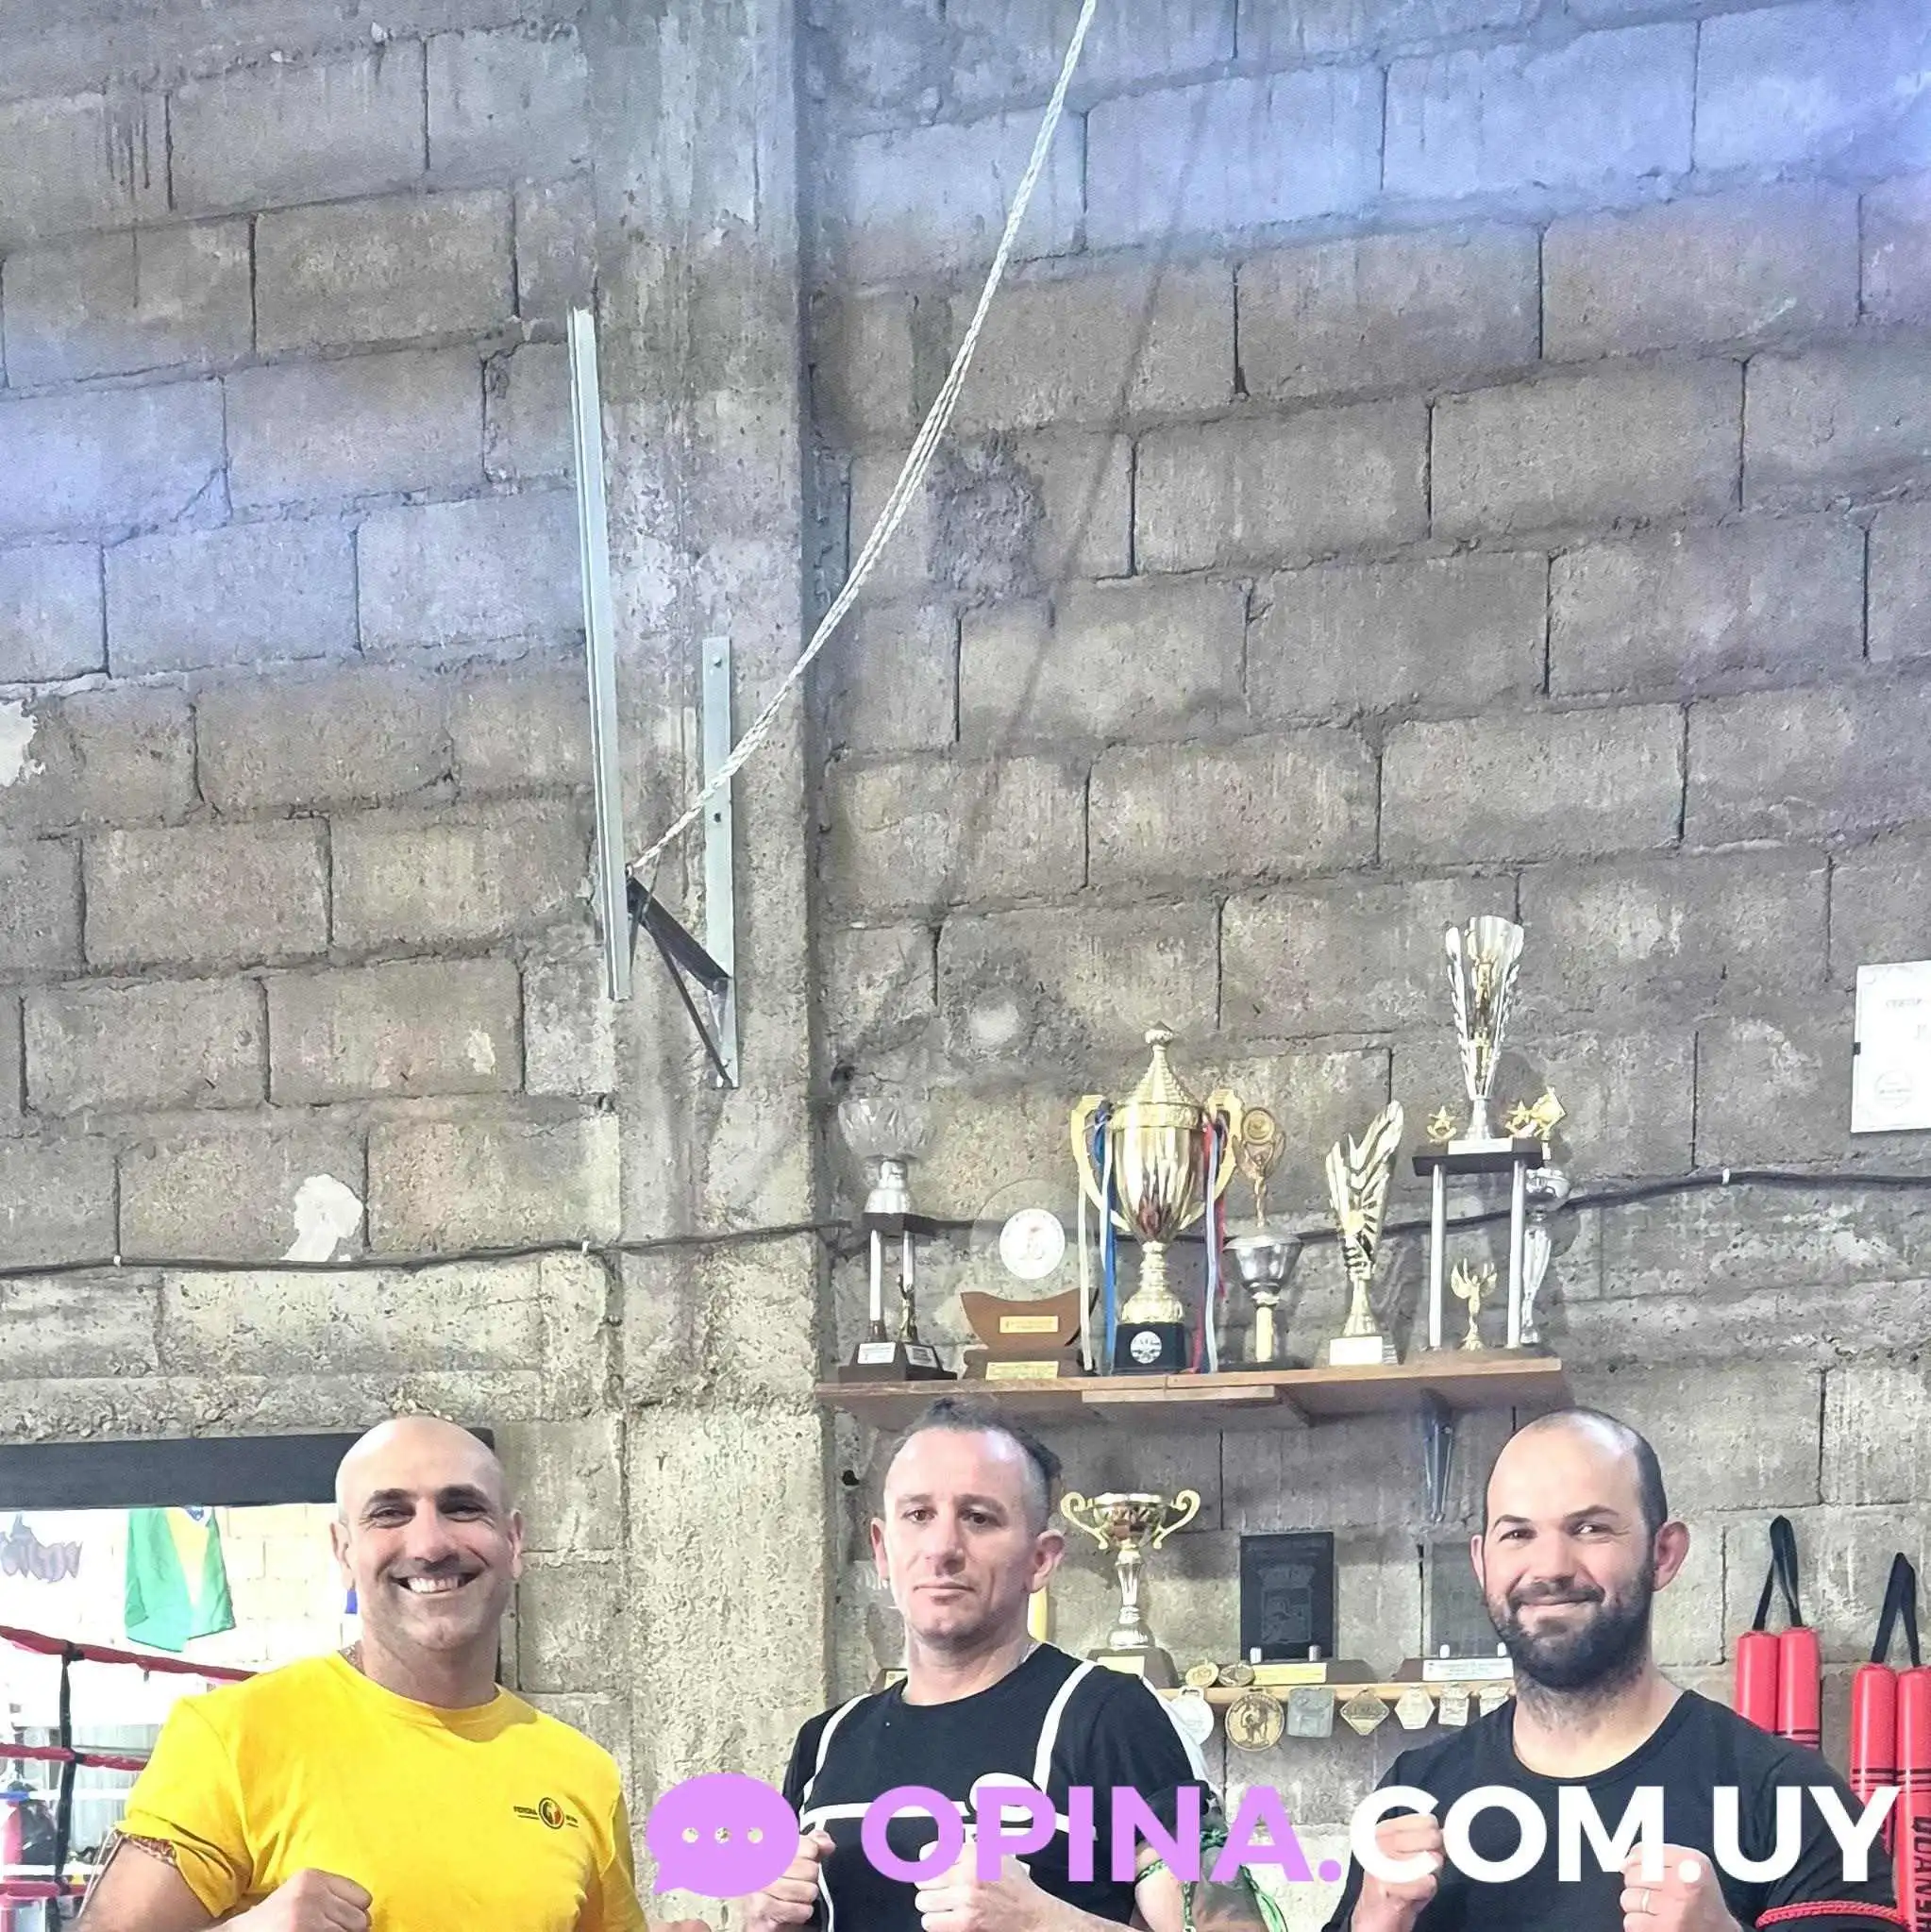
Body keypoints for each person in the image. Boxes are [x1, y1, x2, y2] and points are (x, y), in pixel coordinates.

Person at [76, 1415, 697, 1932]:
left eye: (461, 1507)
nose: (429, 1544)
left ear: (513, 1542)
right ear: (344, 1551)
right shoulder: (232, 1736)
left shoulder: (583, 1772)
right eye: (390, 1513)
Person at [1323, 1409, 1902, 1932]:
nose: (1550, 1567)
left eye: (1590, 1528)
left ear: (1663, 1554)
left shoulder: (1790, 1796)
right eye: (1518, 1534)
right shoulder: (1415, 1789)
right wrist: (1371, 1925)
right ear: (1481, 1563)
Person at [742, 1394, 1272, 1932]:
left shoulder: (1111, 1719)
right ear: (882, 1549)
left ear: (1040, 1559)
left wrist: (1043, 1922)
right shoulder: (826, 1741)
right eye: (919, 1515)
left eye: (978, 1518)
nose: (942, 1548)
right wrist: (766, 1921)